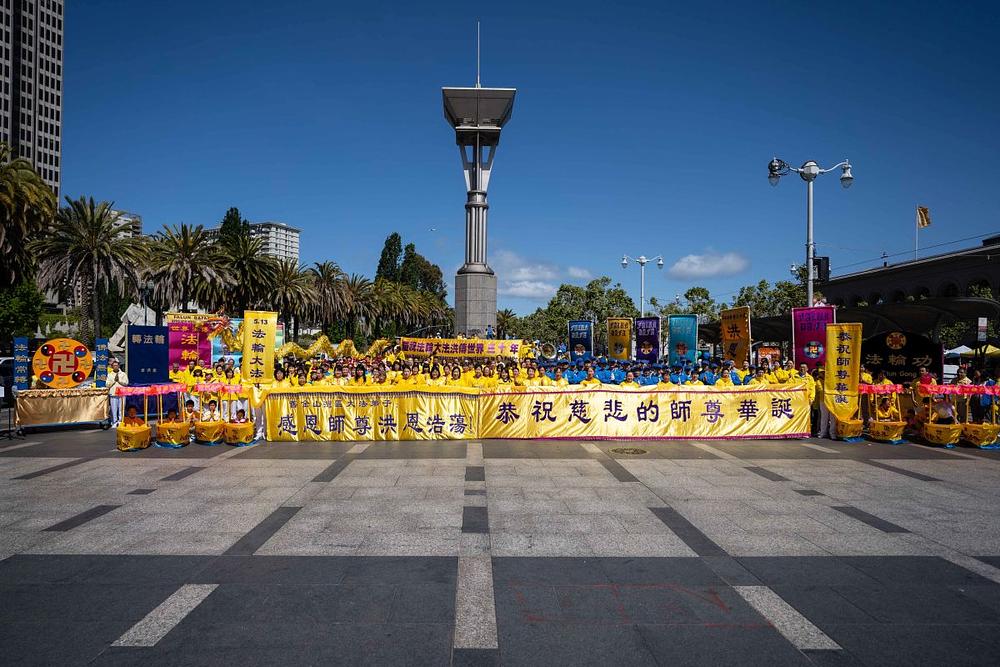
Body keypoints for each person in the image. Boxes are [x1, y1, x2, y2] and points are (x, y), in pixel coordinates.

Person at [106, 359, 129, 427]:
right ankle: (114, 422)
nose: (115, 367)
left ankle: (121, 421)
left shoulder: (123, 374)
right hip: (113, 393)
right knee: (113, 408)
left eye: (117, 365)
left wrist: (119, 381)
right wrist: (114, 381)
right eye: (114, 366)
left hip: (122, 393)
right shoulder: (110, 375)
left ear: (119, 366)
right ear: (112, 367)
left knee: (121, 408)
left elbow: (126, 383)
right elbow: (107, 384)